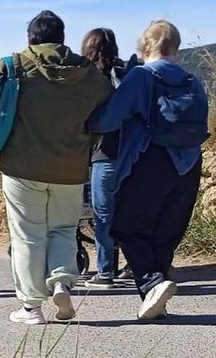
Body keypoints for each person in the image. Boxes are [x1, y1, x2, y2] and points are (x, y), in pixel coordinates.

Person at [0, 10, 111, 324]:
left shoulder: (15, 65)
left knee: (28, 236)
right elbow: (106, 100)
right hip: (70, 167)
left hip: (22, 165)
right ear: (61, 39)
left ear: (31, 38)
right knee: (63, 230)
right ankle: (61, 282)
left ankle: (31, 308)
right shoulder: (86, 72)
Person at [88, 20, 206, 319]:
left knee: (124, 227)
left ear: (146, 45)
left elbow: (110, 119)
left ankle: (152, 283)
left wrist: (85, 123)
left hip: (149, 160)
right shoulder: (192, 81)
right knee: (164, 233)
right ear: (175, 46)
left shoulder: (141, 76)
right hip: (189, 163)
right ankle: (155, 296)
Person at [80, 28, 132, 288]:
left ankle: (105, 271)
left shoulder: (88, 78)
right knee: (128, 213)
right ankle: (133, 264)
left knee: (103, 215)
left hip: (102, 153)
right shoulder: (126, 74)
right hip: (131, 153)